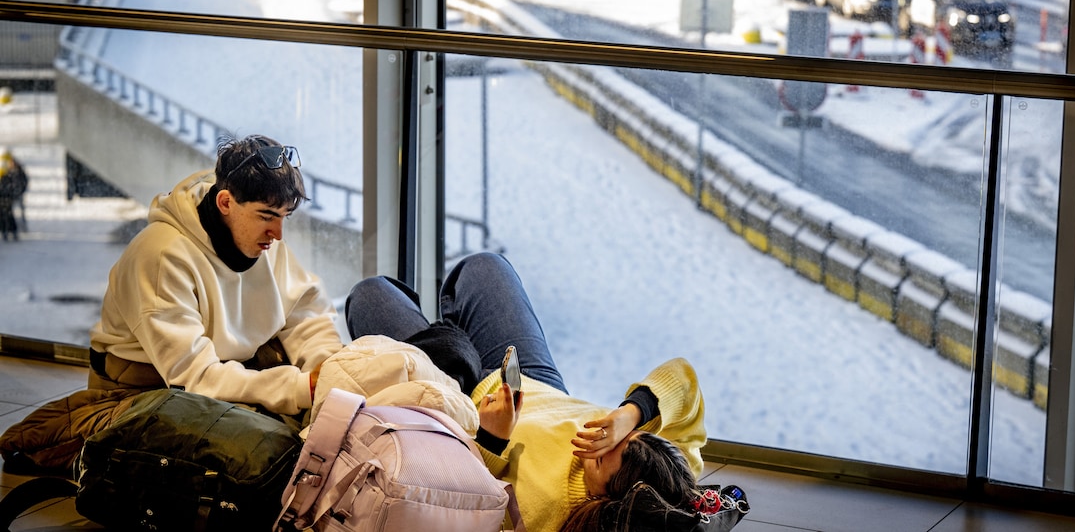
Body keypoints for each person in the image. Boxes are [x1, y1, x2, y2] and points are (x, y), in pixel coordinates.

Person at [344, 252, 709, 531]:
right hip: (535, 384)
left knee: (371, 294)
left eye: (599, 457)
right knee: (484, 266)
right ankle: (445, 339)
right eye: (622, 438)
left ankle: (446, 343)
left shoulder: (548, 515)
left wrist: (491, 437)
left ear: (603, 500)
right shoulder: (671, 482)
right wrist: (630, 414)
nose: (599, 438)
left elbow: (465, 506)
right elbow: (683, 380)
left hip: (462, 409)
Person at [87, 134, 344, 418]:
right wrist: (301, 387)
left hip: (230, 368)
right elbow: (196, 377)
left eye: (285, 216)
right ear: (225, 203)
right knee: (266, 450)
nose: (278, 234)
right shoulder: (162, 256)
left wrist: (328, 370)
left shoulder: (261, 236)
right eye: (267, 216)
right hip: (147, 386)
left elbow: (305, 315)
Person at [0, 149, 28, 242]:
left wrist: (15, 193)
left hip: (10, 195)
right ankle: (6, 230)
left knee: (6, 210)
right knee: (4, 211)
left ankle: (10, 230)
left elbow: (22, 183)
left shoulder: (16, 171)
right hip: (5, 195)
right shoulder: (5, 172)